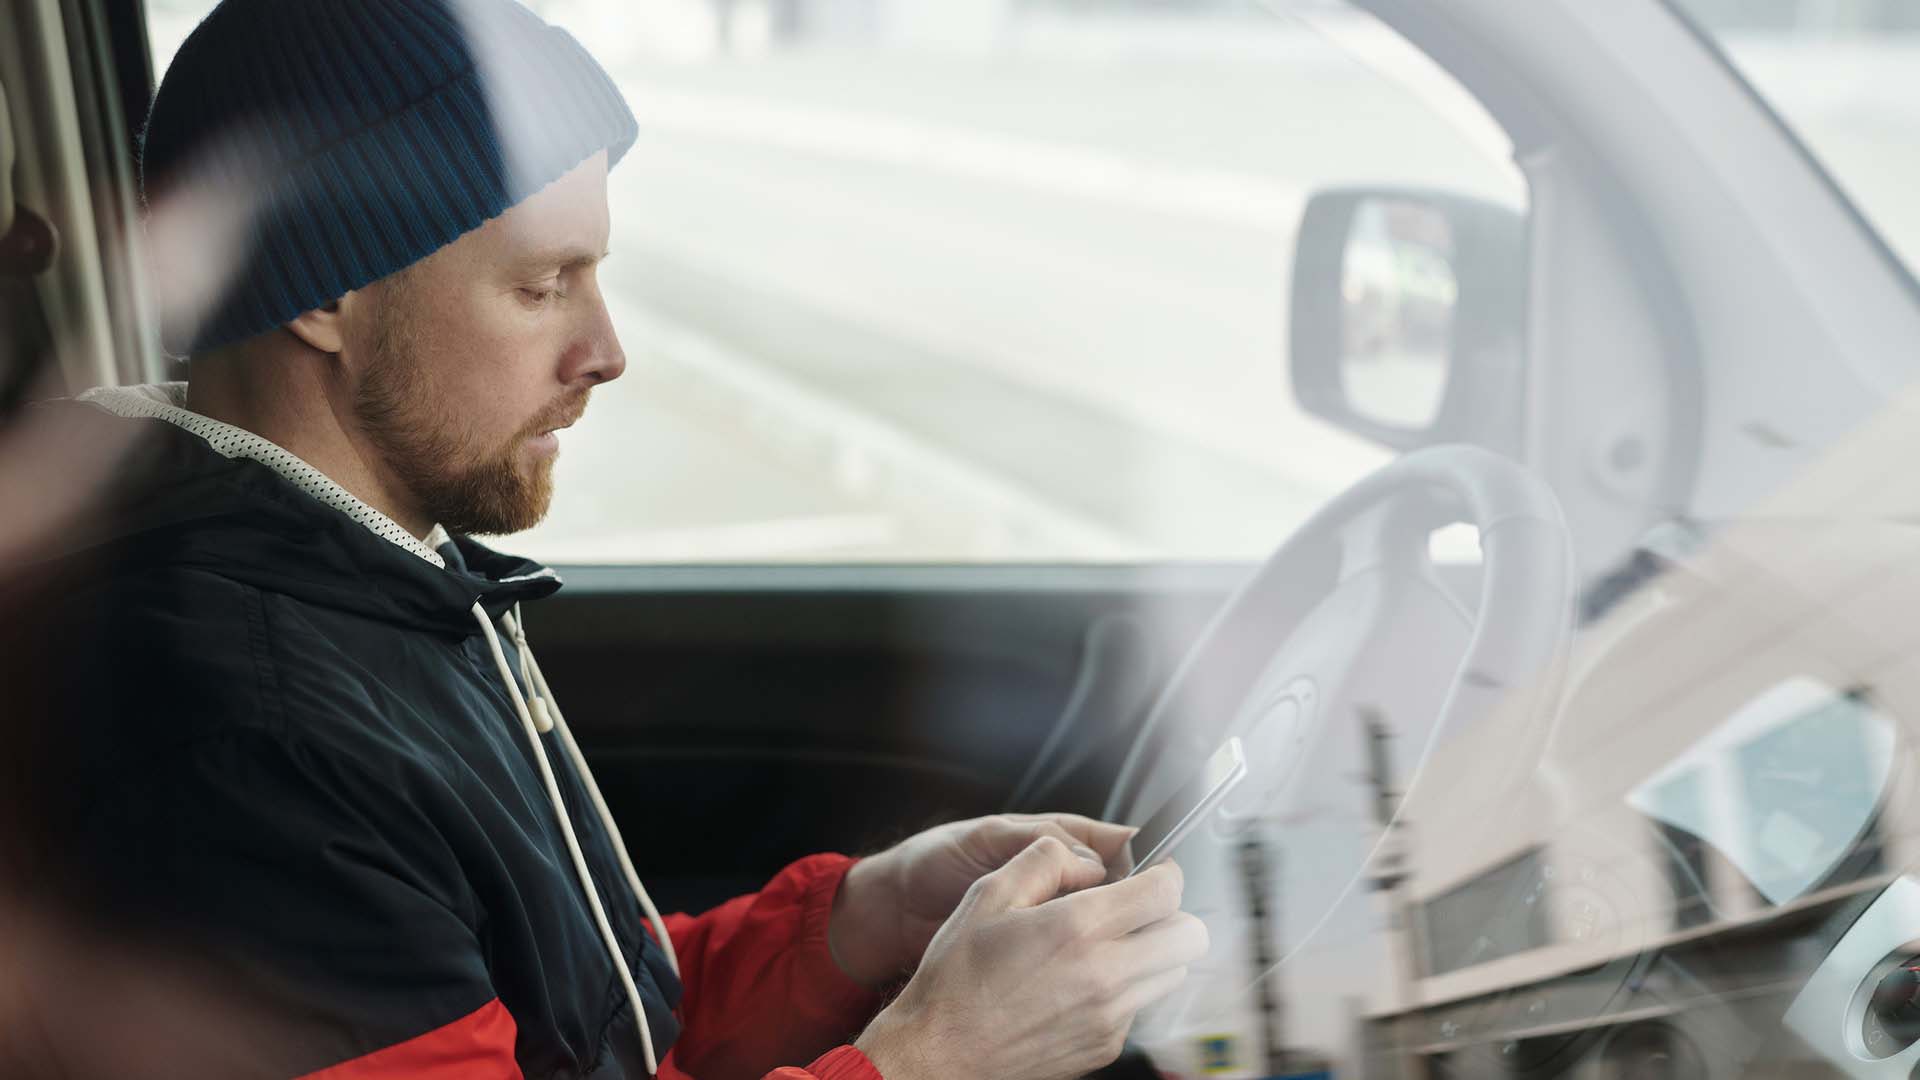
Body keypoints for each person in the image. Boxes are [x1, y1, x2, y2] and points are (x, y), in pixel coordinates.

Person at [4, 1, 1206, 1077]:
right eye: (542, 285)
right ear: (324, 295)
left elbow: (581, 1030)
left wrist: (865, 926)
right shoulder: (232, 741)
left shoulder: (373, 576)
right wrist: (941, 1055)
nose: (606, 351)